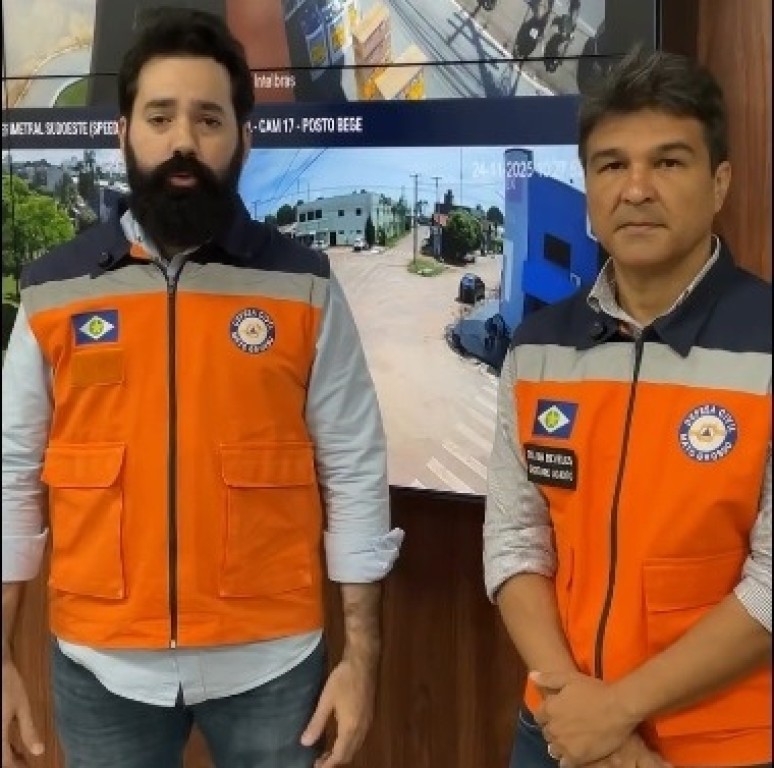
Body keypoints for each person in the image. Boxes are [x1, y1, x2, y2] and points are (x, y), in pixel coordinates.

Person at [1, 9, 403, 768]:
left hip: (273, 664)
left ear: (243, 139)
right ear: (124, 132)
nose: (183, 141)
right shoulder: (53, 290)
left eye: (209, 119)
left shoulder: (304, 285)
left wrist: (361, 658)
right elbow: (10, 470)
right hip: (100, 664)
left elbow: (354, 465)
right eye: (160, 117)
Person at [485, 48, 771, 768]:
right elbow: (515, 545)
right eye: (612, 165)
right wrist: (576, 712)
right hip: (555, 728)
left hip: (722, 744)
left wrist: (618, 712)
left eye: (668, 162)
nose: (636, 189)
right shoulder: (537, 348)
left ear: (720, 183)